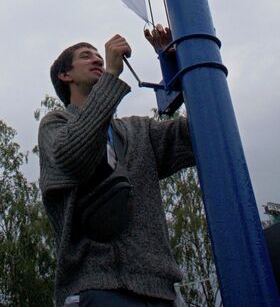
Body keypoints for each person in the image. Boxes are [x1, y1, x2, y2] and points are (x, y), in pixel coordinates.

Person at [38, 26, 195, 307]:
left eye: (99, 55)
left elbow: (199, 134)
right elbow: (75, 156)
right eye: (86, 56)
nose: (97, 58)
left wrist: (183, 68)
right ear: (66, 75)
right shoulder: (54, 125)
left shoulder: (138, 130)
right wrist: (111, 75)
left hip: (161, 291)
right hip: (96, 288)